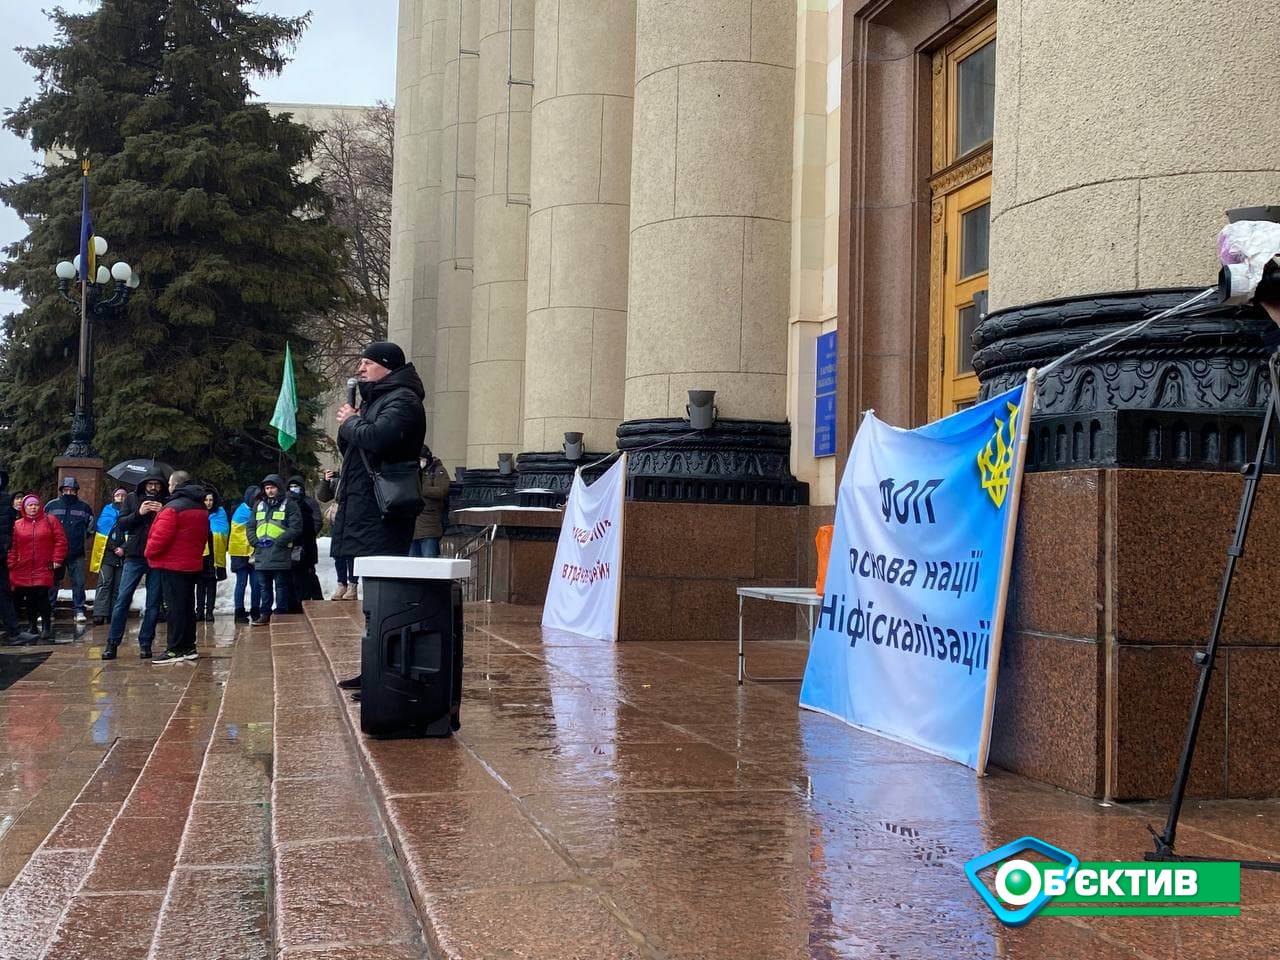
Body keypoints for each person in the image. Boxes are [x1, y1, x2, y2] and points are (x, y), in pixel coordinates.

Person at [333, 340, 426, 693]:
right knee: (373, 598)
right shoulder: (379, 400)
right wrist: (351, 426)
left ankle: (385, 670)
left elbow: (381, 438)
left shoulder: (403, 399)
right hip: (368, 510)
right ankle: (373, 666)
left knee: (384, 597)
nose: (360, 369)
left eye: (367, 363)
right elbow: (357, 446)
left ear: (386, 365)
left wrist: (353, 423)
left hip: (384, 513)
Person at [145, 471, 210, 663]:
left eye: (170, 485)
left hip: (172, 564)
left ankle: (175, 649)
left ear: (175, 485)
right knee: (187, 606)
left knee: (174, 608)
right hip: (191, 563)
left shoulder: (172, 508)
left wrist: (148, 552)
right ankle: (189, 646)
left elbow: (160, 537)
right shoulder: (200, 507)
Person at [104, 471, 168, 660]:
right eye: (150, 484)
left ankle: (146, 643)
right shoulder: (132, 498)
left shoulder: (166, 501)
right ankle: (112, 643)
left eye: (157, 484)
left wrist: (161, 512)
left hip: (157, 556)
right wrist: (139, 513)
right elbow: (121, 524)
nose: (153, 488)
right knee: (122, 599)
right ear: (143, 485)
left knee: (153, 603)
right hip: (134, 555)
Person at [9, 495, 68, 641]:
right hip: (23, 567)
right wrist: (11, 563)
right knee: (29, 598)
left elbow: (60, 540)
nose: (33, 508)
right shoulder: (17, 524)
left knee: (42, 595)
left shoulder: (50, 520)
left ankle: (46, 625)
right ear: (24, 508)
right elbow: (12, 547)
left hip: (44, 566)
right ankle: (32, 625)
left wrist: (57, 559)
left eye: (35, 505)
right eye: (30, 505)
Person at [247, 474, 302, 625]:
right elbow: (251, 526)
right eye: (267, 488)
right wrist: (254, 541)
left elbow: (296, 527)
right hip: (262, 553)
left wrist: (280, 542)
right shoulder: (258, 505)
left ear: (279, 488)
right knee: (264, 587)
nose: (269, 491)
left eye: (272, 488)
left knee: (281, 586)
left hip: (280, 553)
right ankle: (265, 614)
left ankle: (281, 614)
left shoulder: (289, 504)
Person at [44, 477, 94, 623]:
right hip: (55, 553)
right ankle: (49, 610)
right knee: (52, 583)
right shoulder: (51, 506)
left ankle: (79, 609)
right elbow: (43, 526)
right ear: (61, 491)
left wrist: (80, 540)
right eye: (66, 490)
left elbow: (91, 528)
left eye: (72, 490)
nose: (69, 492)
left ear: (76, 491)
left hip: (76, 552)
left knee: (78, 582)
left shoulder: (84, 507)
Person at [0, 471, 38, 645]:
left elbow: (8, 529)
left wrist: (5, 547)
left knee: (5, 594)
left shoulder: (6, 500)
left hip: (1, 555)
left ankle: (14, 632)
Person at [316, 469, 357, 600]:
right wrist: (326, 481)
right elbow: (323, 496)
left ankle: (353, 585)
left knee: (351, 553)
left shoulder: (359, 475)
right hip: (338, 518)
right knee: (337, 552)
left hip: (353, 517)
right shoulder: (339, 478)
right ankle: (341, 584)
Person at [89, 489, 128, 625]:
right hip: (107, 554)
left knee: (119, 586)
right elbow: (102, 532)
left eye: (123, 495)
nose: (121, 498)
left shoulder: (130, 511)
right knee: (104, 583)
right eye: (118, 495)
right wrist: (114, 548)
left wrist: (123, 548)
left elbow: (133, 532)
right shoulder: (107, 511)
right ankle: (100, 613)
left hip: (123, 555)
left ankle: (115, 614)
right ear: (113, 497)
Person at [286, 474, 323, 609]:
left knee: (308, 575)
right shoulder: (286, 502)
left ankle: (314, 599)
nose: (293, 489)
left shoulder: (309, 502)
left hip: (307, 546)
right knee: (292, 577)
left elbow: (317, 521)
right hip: (290, 547)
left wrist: (307, 534)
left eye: (296, 486)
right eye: (291, 486)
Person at [410, 445, 451, 558]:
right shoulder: (414, 472)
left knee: (429, 565)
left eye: (421, 459)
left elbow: (442, 490)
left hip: (429, 526)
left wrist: (421, 489)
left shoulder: (438, 471)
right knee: (410, 567)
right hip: (413, 528)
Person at [228, 485, 261, 624]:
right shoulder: (246, 512)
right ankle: (241, 611)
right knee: (244, 583)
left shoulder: (244, 509)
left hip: (248, 552)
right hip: (241, 553)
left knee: (254, 583)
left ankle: (252, 610)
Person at [196, 489, 228, 621]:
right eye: (206, 500)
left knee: (211, 583)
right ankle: (199, 611)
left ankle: (210, 611)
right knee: (200, 584)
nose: (208, 503)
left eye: (211, 500)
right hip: (200, 554)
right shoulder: (198, 513)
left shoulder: (220, 513)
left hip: (215, 554)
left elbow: (224, 530)